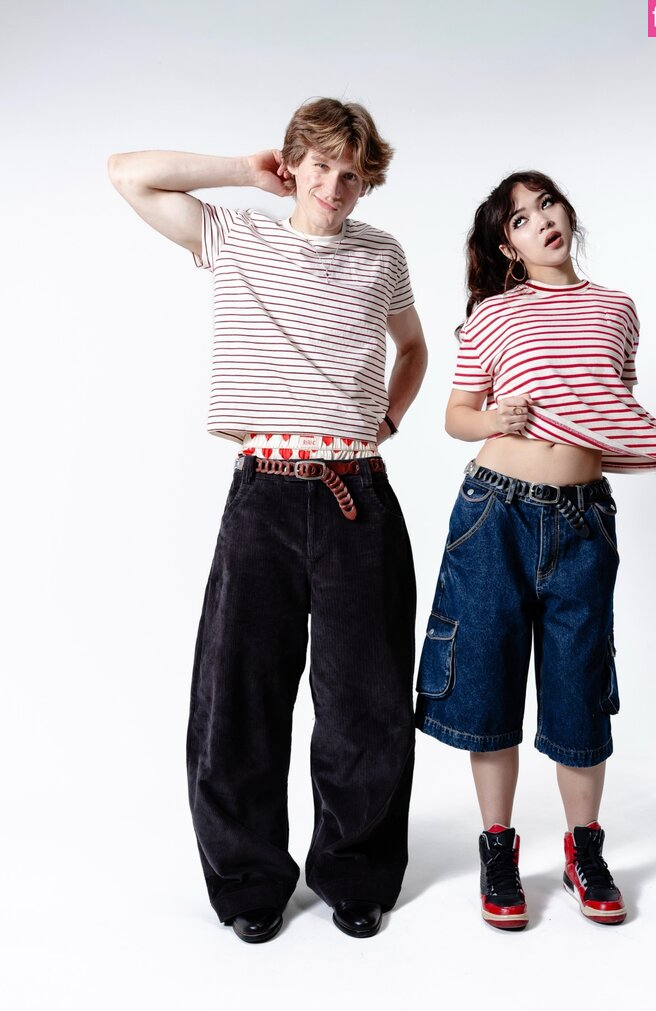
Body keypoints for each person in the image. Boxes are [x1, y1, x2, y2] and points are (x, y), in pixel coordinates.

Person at [108, 98, 427, 942]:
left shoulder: (382, 255)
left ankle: (356, 873)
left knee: (367, 698)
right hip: (264, 494)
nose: (335, 185)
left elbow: (414, 347)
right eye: (321, 165)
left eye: (352, 174)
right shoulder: (235, 235)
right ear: (294, 164)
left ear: (367, 183)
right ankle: (248, 881)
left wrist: (387, 420)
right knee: (239, 693)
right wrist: (239, 173)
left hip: (357, 493)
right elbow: (127, 174)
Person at [415, 171, 656, 931]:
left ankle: (585, 851)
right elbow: (456, 414)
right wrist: (493, 417)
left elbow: (607, 412)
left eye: (547, 204)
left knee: (578, 681)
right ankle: (498, 848)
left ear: (567, 213)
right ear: (507, 246)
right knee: (488, 678)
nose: (541, 220)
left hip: (582, 520)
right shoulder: (493, 314)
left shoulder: (617, 308)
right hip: (493, 514)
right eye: (519, 218)